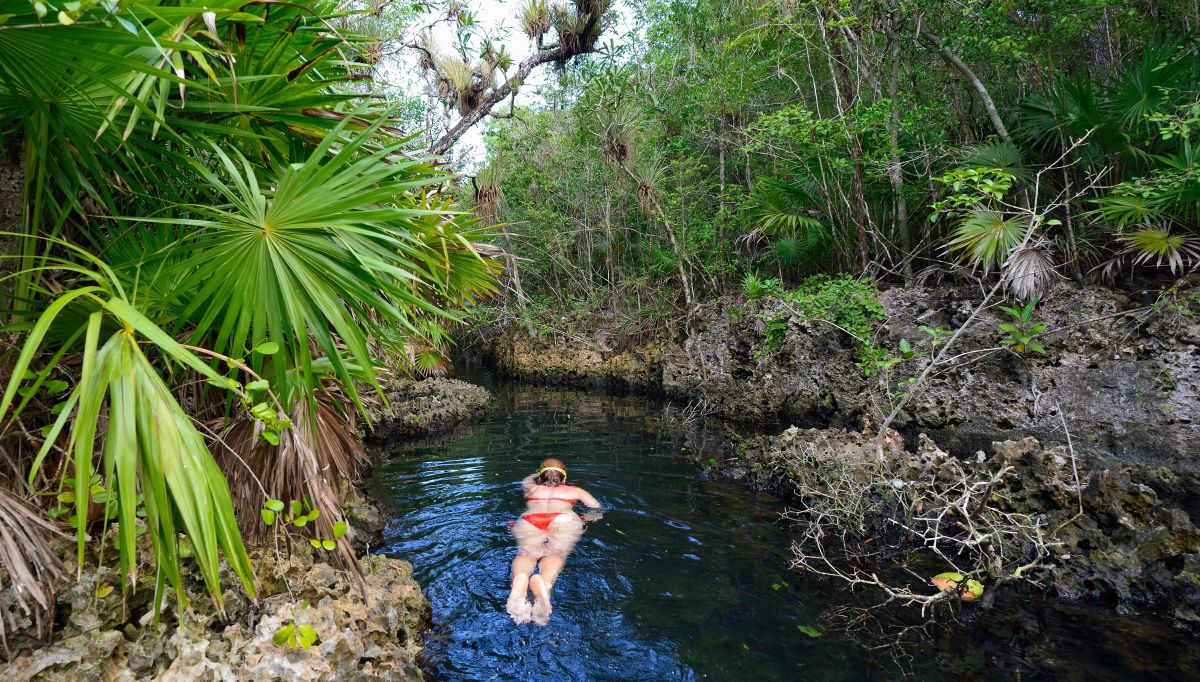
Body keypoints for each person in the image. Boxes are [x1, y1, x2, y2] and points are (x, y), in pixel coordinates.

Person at [506, 457, 602, 625]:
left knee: (525, 554)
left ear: (541, 476)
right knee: (556, 555)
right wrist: (583, 519)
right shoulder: (575, 490)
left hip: (530, 520)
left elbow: (525, 480)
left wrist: (540, 473)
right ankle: (544, 583)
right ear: (564, 478)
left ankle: (519, 580)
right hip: (563, 521)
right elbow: (597, 509)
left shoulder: (532, 488)